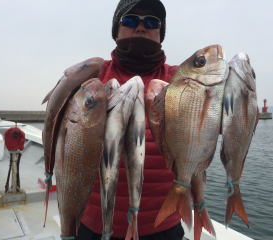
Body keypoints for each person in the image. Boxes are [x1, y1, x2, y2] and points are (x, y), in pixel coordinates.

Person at [77, 0, 184, 239]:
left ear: (160, 33)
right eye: (130, 19)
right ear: (116, 31)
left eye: (152, 22)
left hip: (163, 226)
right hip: (94, 225)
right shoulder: (92, 76)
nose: (141, 27)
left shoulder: (179, 80)